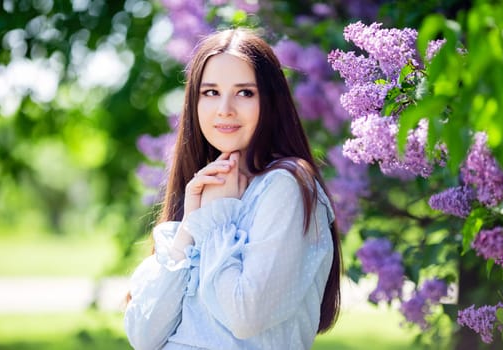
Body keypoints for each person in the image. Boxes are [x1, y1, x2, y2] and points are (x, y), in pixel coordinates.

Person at [124, 27, 342, 350]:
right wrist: (188, 229)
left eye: (245, 92)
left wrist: (216, 219)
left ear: (271, 102)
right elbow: (143, 336)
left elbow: (245, 316)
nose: (225, 108)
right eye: (210, 92)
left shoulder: (286, 186)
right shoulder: (208, 188)